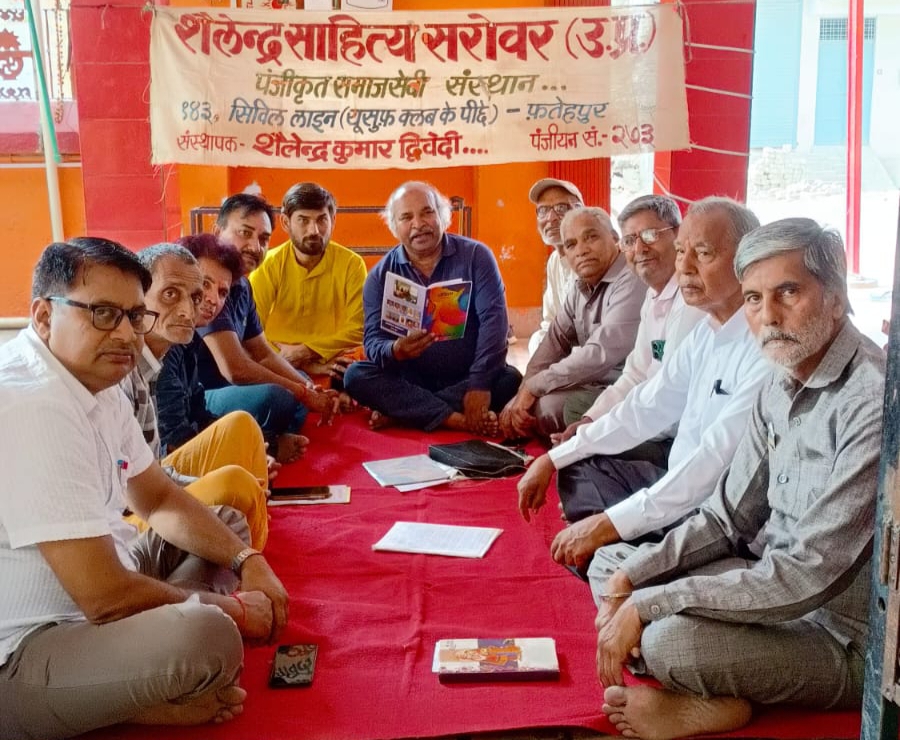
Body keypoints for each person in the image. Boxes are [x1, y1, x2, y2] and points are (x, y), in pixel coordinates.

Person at [595, 217, 884, 740]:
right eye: (753, 298)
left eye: (788, 292)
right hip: (770, 582)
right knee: (614, 566)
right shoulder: (780, 379)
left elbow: (810, 575)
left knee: (668, 640)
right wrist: (634, 583)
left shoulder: (871, 400)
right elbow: (727, 518)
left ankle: (712, 694)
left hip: (839, 634)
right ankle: (716, 686)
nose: (768, 316)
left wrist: (652, 603)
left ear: (836, 299)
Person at [0, 237, 288, 740]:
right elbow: (104, 597)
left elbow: (156, 498)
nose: (125, 334)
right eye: (103, 313)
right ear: (44, 316)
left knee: (223, 522)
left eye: (134, 316)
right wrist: (230, 610)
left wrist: (249, 560)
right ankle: (131, 692)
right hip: (25, 650)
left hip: (104, 586)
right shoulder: (32, 404)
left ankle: (136, 671)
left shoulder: (99, 378)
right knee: (209, 636)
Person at [517, 197, 770, 571]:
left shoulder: (765, 350)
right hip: (678, 488)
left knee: (612, 558)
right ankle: (628, 561)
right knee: (578, 464)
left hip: (716, 519)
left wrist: (609, 524)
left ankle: (630, 563)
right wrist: (553, 458)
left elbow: (711, 463)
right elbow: (645, 404)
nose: (684, 267)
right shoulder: (707, 331)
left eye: (702, 253)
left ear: (747, 261)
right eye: (682, 252)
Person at [121, 242, 272, 549]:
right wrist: (211, 485)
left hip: (151, 486)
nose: (188, 311)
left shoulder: (170, 352)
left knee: (241, 427)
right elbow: (130, 493)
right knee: (235, 483)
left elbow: (152, 467)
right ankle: (246, 556)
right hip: (120, 524)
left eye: (194, 297)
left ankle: (244, 545)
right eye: (170, 294)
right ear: (137, 298)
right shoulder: (119, 368)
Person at [343, 181, 522, 434]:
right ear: (394, 226)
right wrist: (395, 349)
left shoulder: (477, 256)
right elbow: (372, 342)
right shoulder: (379, 276)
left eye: (427, 212)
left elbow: (495, 324)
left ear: (443, 216)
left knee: (509, 380)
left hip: (466, 375)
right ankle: (455, 419)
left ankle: (406, 413)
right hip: (410, 380)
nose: (418, 224)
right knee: (355, 376)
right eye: (406, 217)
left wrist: (479, 384)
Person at [553, 195, 706, 464]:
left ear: (678, 236)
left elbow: (668, 399)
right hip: (649, 413)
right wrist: (591, 420)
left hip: (678, 434)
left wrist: (595, 435)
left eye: (650, 235)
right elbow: (635, 373)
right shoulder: (653, 295)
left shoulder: (691, 300)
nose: (640, 248)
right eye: (630, 240)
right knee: (579, 413)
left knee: (584, 452)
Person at [198, 198, 340, 454]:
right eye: (245, 233)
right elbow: (235, 369)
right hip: (202, 396)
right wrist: (302, 393)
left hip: (235, 391)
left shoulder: (242, 285)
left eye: (263, 239)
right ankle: (268, 444)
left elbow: (263, 353)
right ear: (217, 231)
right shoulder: (208, 284)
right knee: (278, 396)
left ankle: (266, 436)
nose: (255, 247)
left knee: (300, 382)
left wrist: (309, 388)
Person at [499, 207, 645, 438]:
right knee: (526, 397)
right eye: (571, 244)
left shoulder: (631, 278)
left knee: (549, 407)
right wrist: (522, 394)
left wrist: (535, 387)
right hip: (594, 384)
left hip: (629, 388)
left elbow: (599, 353)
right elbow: (552, 343)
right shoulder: (580, 286)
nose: (581, 250)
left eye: (591, 237)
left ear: (615, 238)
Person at [249, 182, 366, 384]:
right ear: (286, 222)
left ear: (333, 220)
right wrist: (303, 364)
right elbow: (251, 331)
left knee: (367, 361)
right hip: (280, 359)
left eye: (322, 220)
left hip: (334, 359)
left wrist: (307, 351)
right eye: (303, 220)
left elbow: (360, 328)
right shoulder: (268, 265)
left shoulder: (351, 264)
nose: (314, 230)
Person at [526, 178, 583, 356]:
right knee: (537, 340)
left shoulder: (591, 259)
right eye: (543, 210)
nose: (551, 218)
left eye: (561, 208)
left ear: (579, 212)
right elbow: (550, 323)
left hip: (592, 354)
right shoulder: (554, 261)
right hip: (564, 351)